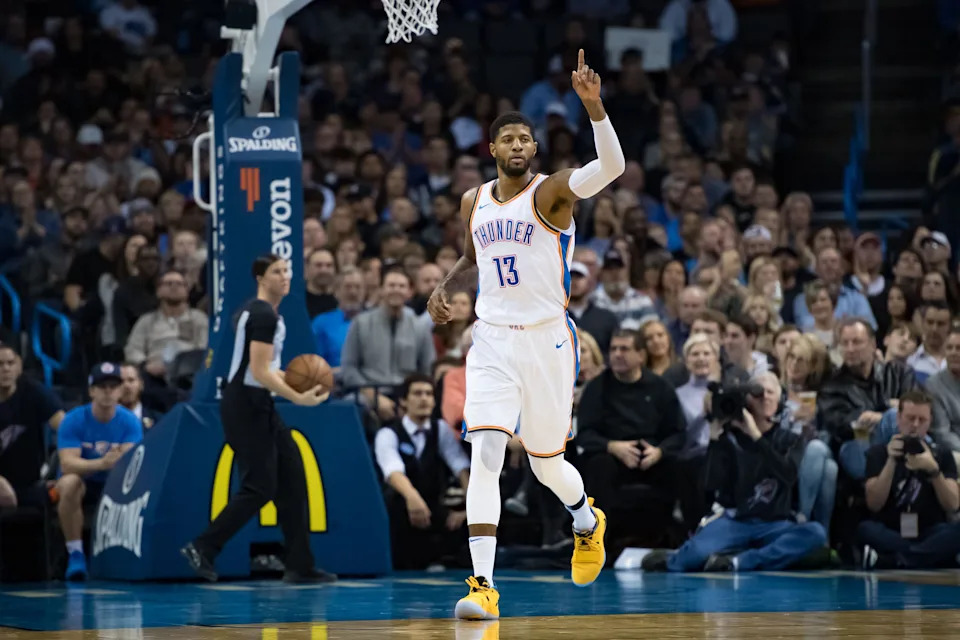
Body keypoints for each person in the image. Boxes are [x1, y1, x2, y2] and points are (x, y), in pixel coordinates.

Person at [428, 50, 624, 620]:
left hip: (547, 340)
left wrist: (594, 108)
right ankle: (482, 586)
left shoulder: (553, 192)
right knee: (486, 452)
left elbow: (610, 168)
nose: (516, 145)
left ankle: (586, 520)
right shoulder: (473, 201)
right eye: (506, 138)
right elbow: (474, 257)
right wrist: (446, 285)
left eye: (524, 138)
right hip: (491, 337)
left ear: (533, 148)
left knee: (544, 464)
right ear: (491, 149)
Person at [181, 254, 335, 584]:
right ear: (260, 278)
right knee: (259, 486)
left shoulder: (256, 311)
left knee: (292, 475)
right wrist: (298, 396)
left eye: (287, 271)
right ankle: (203, 546)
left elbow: (266, 368)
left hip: (255, 400)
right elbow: (258, 370)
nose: (285, 276)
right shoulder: (264, 314)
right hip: (246, 404)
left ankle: (299, 564)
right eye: (277, 271)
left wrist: (294, 379)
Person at [641, 373, 827, 572]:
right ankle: (678, 557)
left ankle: (739, 561)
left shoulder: (790, 439)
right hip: (736, 521)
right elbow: (710, 484)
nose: (764, 396)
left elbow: (788, 474)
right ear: (746, 399)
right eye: (757, 393)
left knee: (815, 533)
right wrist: (715, 440)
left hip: (775, 523)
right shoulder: (731, 438)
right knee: (687, 561)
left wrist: (756, 436)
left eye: (770, 392)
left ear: (780, 401)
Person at [374, 374, 470, 570]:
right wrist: (413, 498)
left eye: (429, 394)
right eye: (417, 393)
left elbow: (460, 465)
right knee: (399, 510)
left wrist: (471, 507)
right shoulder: (388, 433)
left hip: (433, 506)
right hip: (400, 509)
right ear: (403, 401)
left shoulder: (440, 429)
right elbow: (393, 472)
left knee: (460, 526)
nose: (424, 398)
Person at [56, 362, 143, 580]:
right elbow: (68, 464)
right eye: (101, 386)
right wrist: (101, 463)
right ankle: (75, 554)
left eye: (113, 386)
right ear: (91, 390)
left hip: (114, 483)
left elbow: (130, 461)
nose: (107, 391)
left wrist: (109, 463)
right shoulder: (73, 419)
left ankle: (126, 555)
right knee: (69, 483)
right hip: (85, 481)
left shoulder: (130, 421)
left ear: (120, 390)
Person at [860, 391, 960, 569]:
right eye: (910, 418)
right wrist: (891, 462)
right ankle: (926, 556)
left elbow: (953, 504)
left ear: (930, 422)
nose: (915, 425)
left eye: (922, 420)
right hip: (892, 529)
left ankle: (897, 560)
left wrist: (934, 471)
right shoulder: (879, 453)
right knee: (866, 529)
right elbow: (874, 504)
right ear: (898, 418)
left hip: (928, 530)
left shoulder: (942, 454)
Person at [0, 343, 64, 508]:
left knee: (67, 489)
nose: (6, 369)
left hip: (30, 484)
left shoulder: (32, 390)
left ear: (19, 366)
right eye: (0, 364)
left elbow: (65, 426)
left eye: (10, 363)